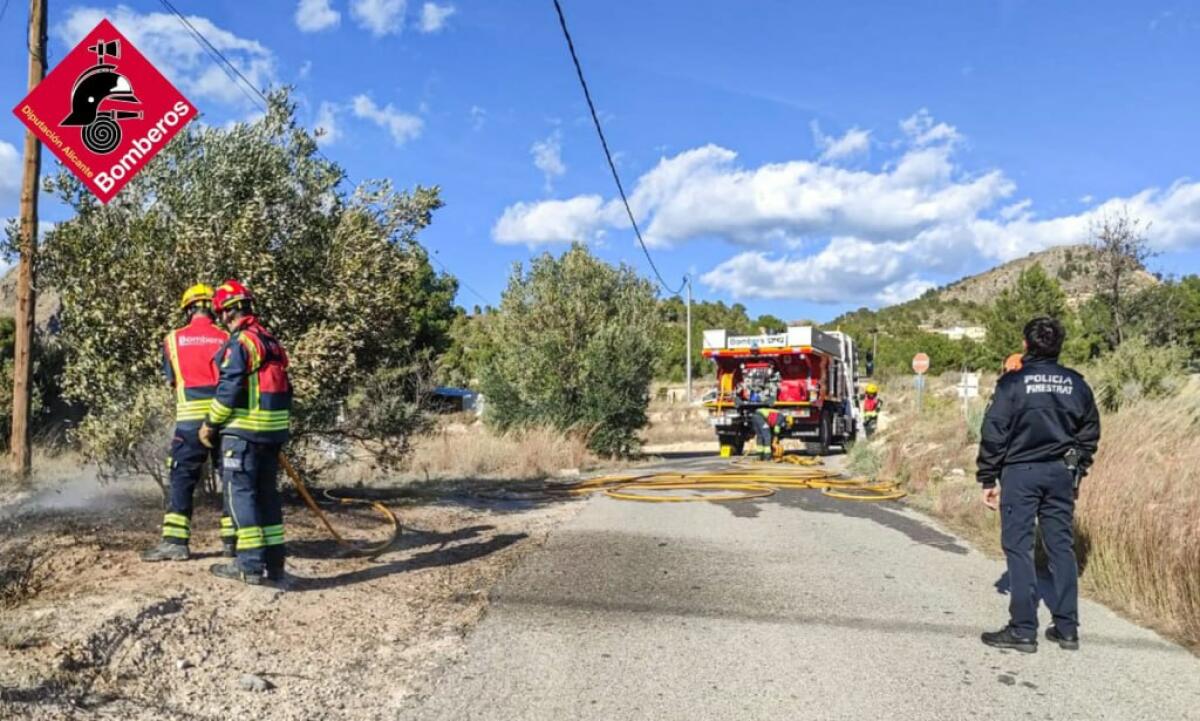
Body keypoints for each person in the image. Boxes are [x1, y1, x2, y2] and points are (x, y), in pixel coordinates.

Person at [976, 317, 1100, 653]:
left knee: (1019, 547)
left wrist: (988, 477)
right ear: (1059, 345)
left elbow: (993, 433)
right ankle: (1066, 628)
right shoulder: (1077, 384)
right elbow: (1089, 434)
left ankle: (1023, 629)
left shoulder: (1012, 383)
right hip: (1060, 473)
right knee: (1061, 547)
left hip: (1020, 473)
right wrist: (1078, 470)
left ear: (1026, 344)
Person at [201, 280, 293, 586]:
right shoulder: (271, 341)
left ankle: (249, 565)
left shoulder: (241, 343)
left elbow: (229, 387)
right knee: (267, 497)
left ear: (228, 312)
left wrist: (210, 423)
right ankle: (275, 565)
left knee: (240, 495)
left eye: (221, 315)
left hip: (243, 434)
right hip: (272, 434)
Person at [141, 284, 233, 562]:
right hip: (223, 421)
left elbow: (172, 380)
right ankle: (233, 543)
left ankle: (175, 543)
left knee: (181, 480)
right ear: (212, 309)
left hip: (189, 423)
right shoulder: (227, 337)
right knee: (231, 480)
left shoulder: (172, 339)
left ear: (188, 309)